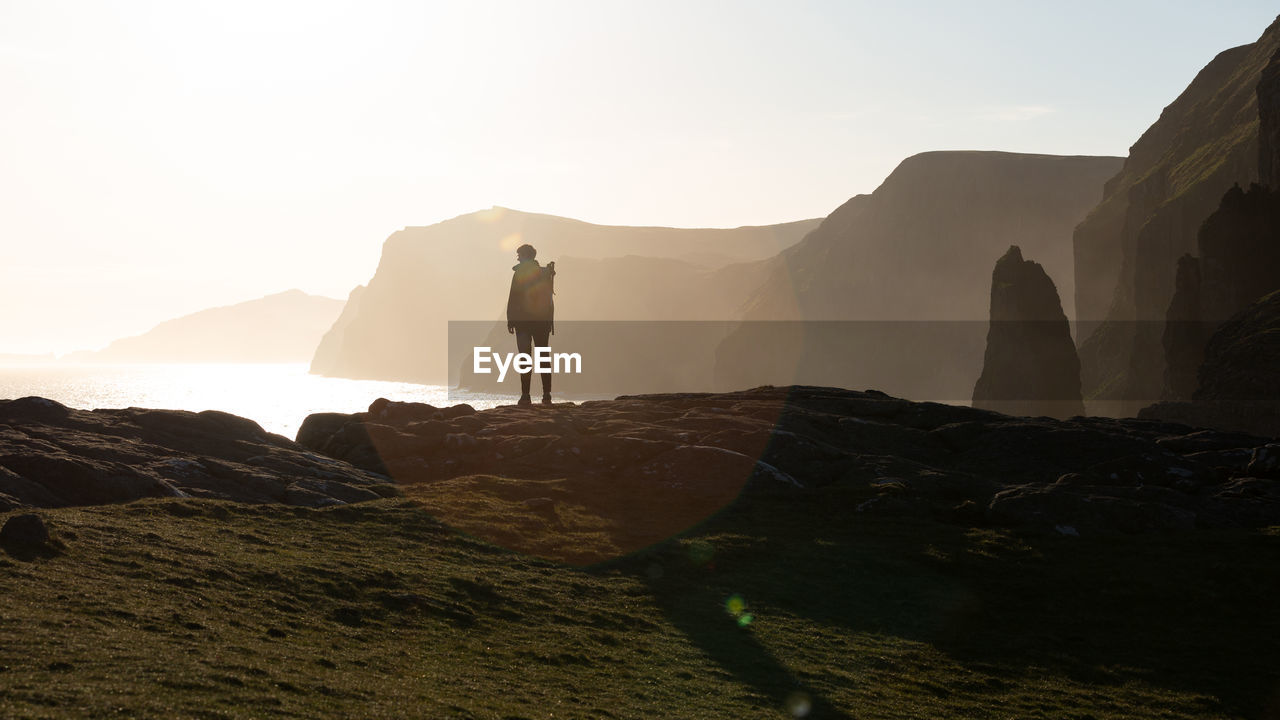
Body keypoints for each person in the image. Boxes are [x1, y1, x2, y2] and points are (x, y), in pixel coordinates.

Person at [506, 243, 555, 406]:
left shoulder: (520, 273)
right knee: (543, 357)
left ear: (525, 255)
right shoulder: (544, 272)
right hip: (542, 322)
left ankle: (525, 396)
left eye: (519, 254)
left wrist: (510, 319)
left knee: (525, 358)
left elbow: (514, 296)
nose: (517, 257)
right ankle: (546, 395)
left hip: (523, 323)